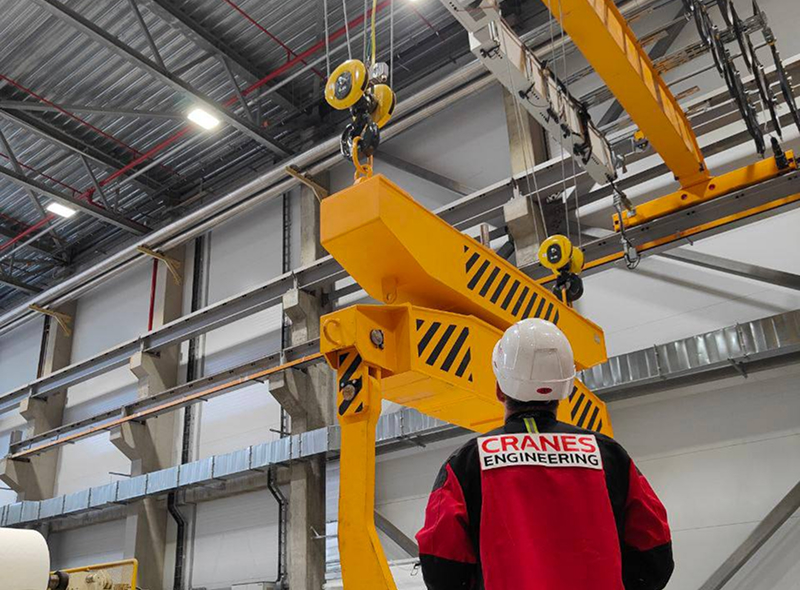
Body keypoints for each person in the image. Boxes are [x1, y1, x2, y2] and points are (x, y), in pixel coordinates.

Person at [416, 319, 674, 590]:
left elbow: (440, 566)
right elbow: (655, 552)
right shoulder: (609, 456)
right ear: (564, 389)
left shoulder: (467, 463)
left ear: (500, 389)